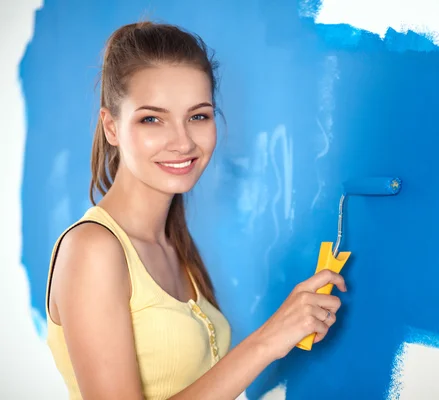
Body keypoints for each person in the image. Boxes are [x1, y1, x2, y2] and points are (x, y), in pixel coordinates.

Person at [45, 21, 346, 400]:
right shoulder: (93, 249)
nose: (183, 141)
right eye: (152, 118)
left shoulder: (175, 245)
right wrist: (268, 340)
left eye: (198, 116)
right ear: (111, 127)